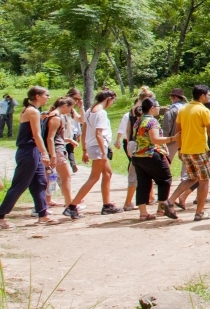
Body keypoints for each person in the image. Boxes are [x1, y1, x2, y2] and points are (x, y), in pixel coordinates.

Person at [0, 87, 57, 229]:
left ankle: (43, 214)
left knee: (40, 182)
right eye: (46, 95)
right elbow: (37, 135)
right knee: (20, 185)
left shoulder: (33, 111)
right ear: (37, 96)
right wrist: (45, 154)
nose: (48, 97)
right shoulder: (32, 111)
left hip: (32, 151)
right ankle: (1, 215)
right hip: (29, 152)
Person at [169, 85, 210, 222]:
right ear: (202, 96)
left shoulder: (183, 109)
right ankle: (200, 213)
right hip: (199, 150)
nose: (209, 97)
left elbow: (177, 132)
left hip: (186, 150)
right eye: (208, 94)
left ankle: (170, 201)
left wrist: (180, 149)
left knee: (192, 178)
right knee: (204, 181)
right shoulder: (203, 110)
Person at [66, 88, 119, 218]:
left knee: (107, 173)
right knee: (94, 178)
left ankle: (107, 205)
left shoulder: (90, 111)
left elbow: (84, 131)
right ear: (108, 99)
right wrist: (103, 152)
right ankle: (72, 206)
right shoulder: (101, 113)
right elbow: (98, 134)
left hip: (93, 147)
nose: (112, 104)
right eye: (112, 101)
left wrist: (85, 149)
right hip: (98, 147)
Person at [128, 98, 179, 221]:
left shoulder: (138, 121)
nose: (159, 108)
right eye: (157, 106)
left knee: (143, 184)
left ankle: (143, 213)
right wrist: (173, 138)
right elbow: (155, 139)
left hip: (138, 156)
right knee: (165, 179)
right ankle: (161, 209)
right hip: (151, 154)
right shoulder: (152, 122)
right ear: (151, 108)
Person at [43, 97, 76, 211]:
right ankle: (69, 204)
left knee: (52, 177)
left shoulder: (50, 115)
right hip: (56, 151)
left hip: (55, 150)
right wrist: (52, 155)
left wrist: (69, 140)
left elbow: (55, 137)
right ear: (64, 105)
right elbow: (50, 138)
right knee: (66, 177)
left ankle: (46, 201)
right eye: (71, 107)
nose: (71, 110)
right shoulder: (55, 118)